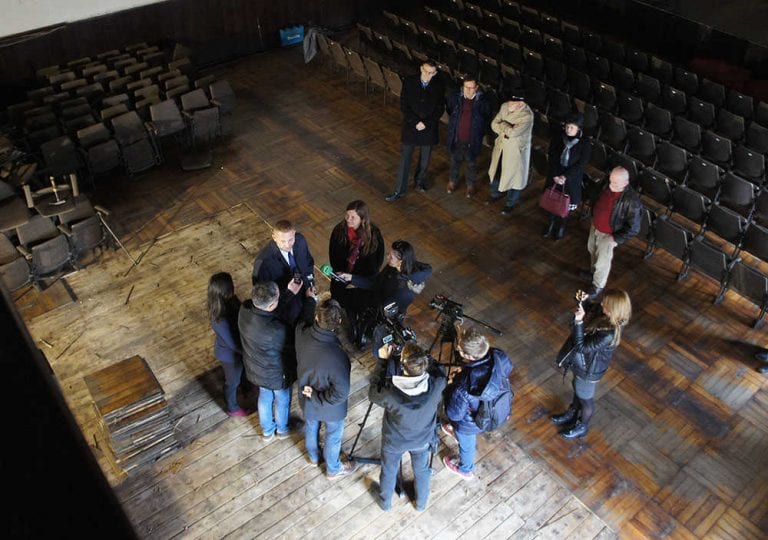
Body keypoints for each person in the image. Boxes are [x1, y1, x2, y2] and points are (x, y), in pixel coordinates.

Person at [369, 343, 446, 512]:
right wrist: (424, 358)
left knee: (388, 470)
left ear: (402, 365)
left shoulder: (391, 394)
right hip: (422, 438)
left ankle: (385, 503)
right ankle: (420, 504)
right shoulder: (437, 384)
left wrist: (383, 361)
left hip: (394, 440)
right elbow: (440, 371)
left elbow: (373, 393)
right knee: (422, 470)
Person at [552, 289, 632, 439]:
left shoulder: (608, 333)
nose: (602, 303)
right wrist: (585, 300)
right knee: (578, 389)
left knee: (585, 399)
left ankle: (582, 426)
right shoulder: (608, 315)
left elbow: (581, 347)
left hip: (588, 370)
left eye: (606, 304)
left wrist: (579, 321)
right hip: (582, 364)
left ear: (613, 310)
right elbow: (593, 307)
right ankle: (572, 413)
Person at [239, 281, 313, 439]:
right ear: (272, 304)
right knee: (282, 399)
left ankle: (267, 431)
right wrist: (310, 302)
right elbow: (298, 332)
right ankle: (282, 429)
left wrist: (288, 293)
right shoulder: (277, 330)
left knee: (264, 397)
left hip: (255, 368)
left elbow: (267, 310)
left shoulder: (244, 309)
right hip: (276, 374)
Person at [296, 298, 359, 477]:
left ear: (317, 317)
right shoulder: (339, 357)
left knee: (311, 427)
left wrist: (309, 300)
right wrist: (317, 396)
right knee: (333, 435)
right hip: (331, 408)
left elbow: (302, 320)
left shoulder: (301, 333)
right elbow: (340, 393)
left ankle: (314, 457)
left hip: (307, 397)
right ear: (338, 322)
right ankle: (333, 468)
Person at [442, 325, 513, 480]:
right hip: (496, 406)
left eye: (460, 349)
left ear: (470, 357)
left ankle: (466, 469)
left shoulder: (464, 385)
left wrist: (451, 385)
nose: (457, 350)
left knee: (466, 443)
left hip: (471, 423)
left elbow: (454, 413)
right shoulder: (499, 356)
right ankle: (455, 433)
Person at [385, 60, 446, 202]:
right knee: (405, 160)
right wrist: (416, 121)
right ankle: (399, 190)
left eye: (431, 73)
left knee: (424, 161)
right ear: (421, 69)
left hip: (428, 128)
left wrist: (426, 123)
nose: (428, 75)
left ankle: (419, 182)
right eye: (425, 71)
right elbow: (404, 104)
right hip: (411, 127)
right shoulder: (409, 82)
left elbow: (439, 108)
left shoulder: (439, 86)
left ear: (435, 73)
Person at [328, 200, 385, 346]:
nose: (348, 220)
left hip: (362, 282)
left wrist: (357, 281)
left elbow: (376, 263)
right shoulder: (339, 230)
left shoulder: (374, 235)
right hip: (342, 278)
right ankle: (352, 324)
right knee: (345, 304)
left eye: (353, 217)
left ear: (363, 219)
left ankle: (360, 328)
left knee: (361, 305)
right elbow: (333, 255)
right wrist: (342, 277)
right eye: (347, 215)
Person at [584, 167, 643, 301]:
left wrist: (615, 238)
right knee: (591, 249)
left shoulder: (632, 201)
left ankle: (597, 285)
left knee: (602, 262)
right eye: (611, 181)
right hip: (596, 226)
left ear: (625, 183)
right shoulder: (607, 184)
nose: (611, 186)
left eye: (615, 183)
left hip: (609, 235)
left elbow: (634, 228)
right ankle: (593, 274)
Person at [338, 239, 432, 318]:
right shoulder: (394, 267)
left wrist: (357, 283)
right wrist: (351, 278)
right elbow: (377, 281)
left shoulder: (402, 286)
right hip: (383, 299)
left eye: (391, 257)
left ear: (401, 261)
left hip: (386, 310)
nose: (387, 258)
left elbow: (377, 287)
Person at [252, 220, 315, 322]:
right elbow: (262, 295)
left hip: (307, 295)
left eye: (291, 240)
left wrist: (310, 284)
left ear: (294, 233)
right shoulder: (263, 262)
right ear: (274, 237)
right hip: (286, 307)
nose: (287, 245)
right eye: (283, 241)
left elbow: (308, 264)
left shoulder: (301, 241)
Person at [543, 113, 591, 240]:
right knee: (552, 201)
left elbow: (581, 164)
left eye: (572, 128)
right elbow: (552, 156)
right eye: (567, 127)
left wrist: (565, 176)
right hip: (555, 174)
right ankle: (551, 223)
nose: (568, 130)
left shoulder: (585, 142)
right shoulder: (559, 137)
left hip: (571, 178)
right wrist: (555, 175)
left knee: (565, 205)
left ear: (578, 129)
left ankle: (561, 227)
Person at [207, 272, 247, 417]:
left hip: (239, 350)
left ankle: (246, 387)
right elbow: (233, 343)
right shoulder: (219, 318)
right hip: (229, 355)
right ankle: (232, 407)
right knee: (232, 381)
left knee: (242, 372)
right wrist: (248, 352)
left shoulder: (231, 301)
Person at [487, 92, 534, 215]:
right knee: (497, 171)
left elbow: (513, 133)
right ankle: (494, 194)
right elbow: (493, 125)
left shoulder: (527, 116)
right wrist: (507, 127)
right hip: (502, 147)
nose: (509, 105)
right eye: (509, 102)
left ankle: (510, 203)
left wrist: (502, 124)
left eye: (513, 103)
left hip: (515, 152)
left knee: (514, 179)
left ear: (520, 104)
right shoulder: (504, 107)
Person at [445, 76, 492, 198]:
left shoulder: (483, 102)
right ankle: (452, 181)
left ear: (476, 88)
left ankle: (470, 184)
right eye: (466, 87)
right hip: (457, 137)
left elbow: (486, 118)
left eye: (471, 88)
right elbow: (450, 110)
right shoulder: (455, 97)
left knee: (471, 163)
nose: (469, 90)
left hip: (473, 139)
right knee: (455, 161)